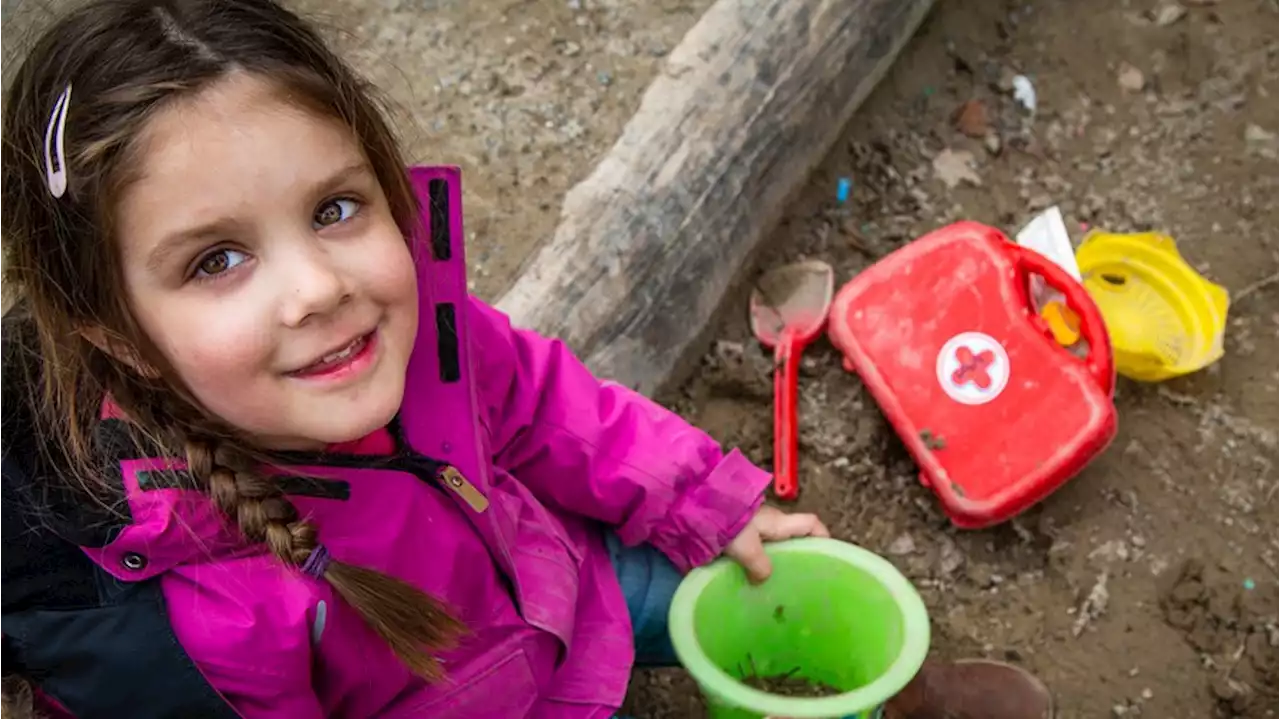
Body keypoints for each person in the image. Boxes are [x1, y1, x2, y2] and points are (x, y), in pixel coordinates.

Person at [0, 1, 1054, 717]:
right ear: (111, 326)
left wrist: (709, 501)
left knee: (754, 571)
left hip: (561, 594)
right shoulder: (191, 623)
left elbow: (555, 406)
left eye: (334, 207)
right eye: (217, 259)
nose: (318, 286)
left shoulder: (417, 337)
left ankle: (872, 695)